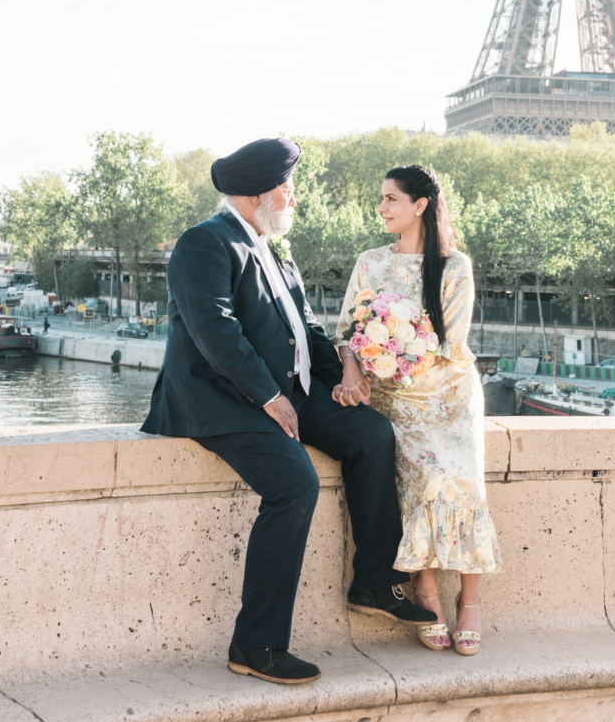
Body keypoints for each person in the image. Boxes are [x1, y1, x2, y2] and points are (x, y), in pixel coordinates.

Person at [141, 137, 435, 686]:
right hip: (223, 401)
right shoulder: (204, 243)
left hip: (290, 392)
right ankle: (256, 643)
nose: (294, 197)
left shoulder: (273, 244)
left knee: (371, 435)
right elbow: (215, 334)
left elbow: (305, 327)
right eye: (288, 187)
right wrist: (270, 398)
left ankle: (373, 582)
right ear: (258, 194)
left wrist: (344, 372)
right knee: (294, 484)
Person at [333, 164, 502, 655]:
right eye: (381, 198)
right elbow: (346, 331)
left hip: (447, 396)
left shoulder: (456, 267)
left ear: (420, 206)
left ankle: (470, 602)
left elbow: (450, 344)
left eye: (390, 199)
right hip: (394, 400)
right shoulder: (369, 262)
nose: (381, 208)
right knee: (419, 487)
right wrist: (353, 369)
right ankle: (427, 593)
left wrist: (389, 352)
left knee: (463, 485)